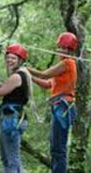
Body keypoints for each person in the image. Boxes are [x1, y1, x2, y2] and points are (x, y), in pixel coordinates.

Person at [28, 32, 78, 173]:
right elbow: (47, 83)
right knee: (55, 146)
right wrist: (29, 75)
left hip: (63, 106)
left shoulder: (67, 63)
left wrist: (25, 68)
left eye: (61, 47)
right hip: (60, 106)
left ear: (67, 49)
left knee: (58, 148)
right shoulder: (64, 66)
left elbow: (44, 74)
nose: (58, 50)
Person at [0, 43, 30, 173]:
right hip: (14, 117)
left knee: (11, 160)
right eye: (8, 57)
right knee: (9, 158)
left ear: (20, 60)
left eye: (13, 58)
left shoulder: (17, 76)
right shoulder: (22, 75)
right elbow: (7, 91)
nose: (9, 60)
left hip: (11, 119)